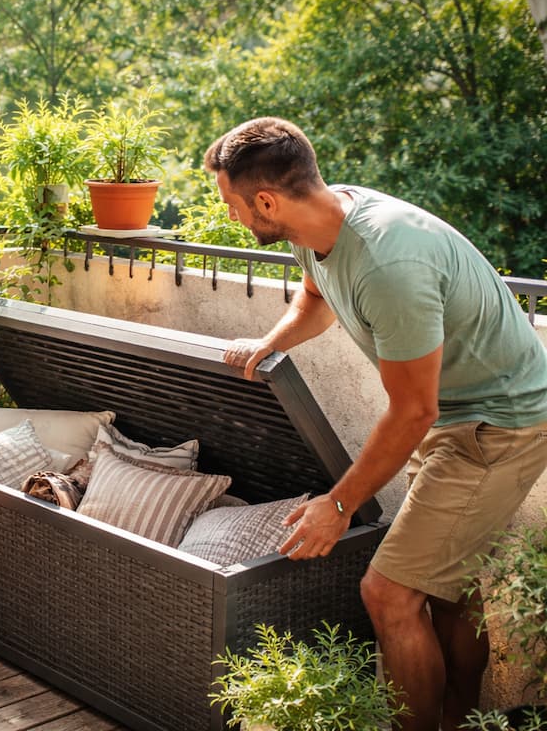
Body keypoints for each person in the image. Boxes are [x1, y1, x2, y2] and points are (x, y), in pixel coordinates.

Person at [204, 117, 547, 731]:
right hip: (455, 415)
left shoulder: (389, 262)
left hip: (498, 425)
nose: (230, 215)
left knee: (388, 593)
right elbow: (316, 296)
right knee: (446, 583)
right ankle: (461, 722)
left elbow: (414, 410)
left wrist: (337, 506)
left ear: (267, 201)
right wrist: (270, 342)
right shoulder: (318, 223)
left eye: (231, 203)